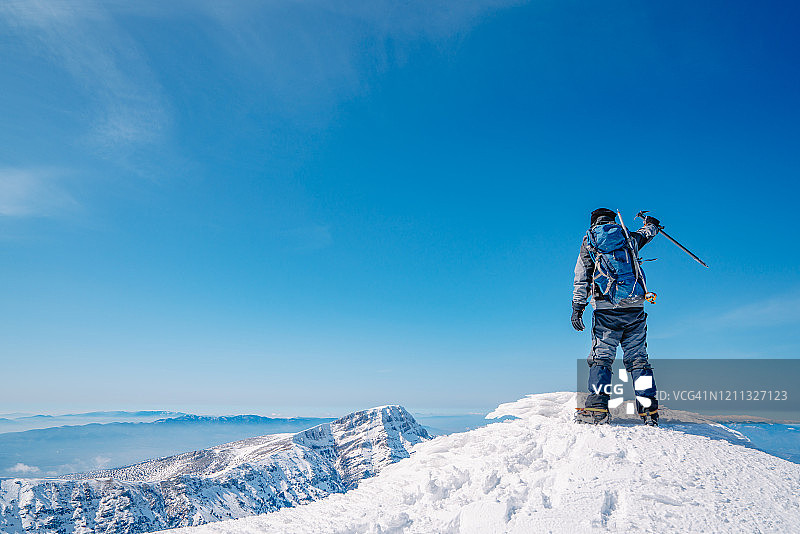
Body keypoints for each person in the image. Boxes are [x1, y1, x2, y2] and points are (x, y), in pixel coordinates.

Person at [571, 208, 661, 425]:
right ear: (612, 220)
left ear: (593, 222)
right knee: (639, 360)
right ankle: (649, 412)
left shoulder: (590, 242)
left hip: (606, 310)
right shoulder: (627, 237)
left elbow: (582, 276)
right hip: (635, 307)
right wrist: (652, 223)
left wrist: (577, 307)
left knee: (602, 358)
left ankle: (597, 410)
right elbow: (647, 232)